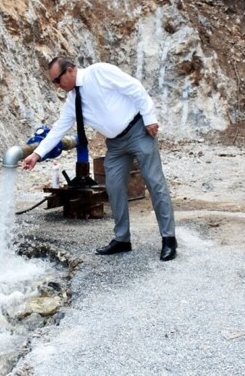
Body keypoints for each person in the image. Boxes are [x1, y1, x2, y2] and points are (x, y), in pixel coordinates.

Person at [22, 57, 178, 261]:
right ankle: (122, 239)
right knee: (113, 186)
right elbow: (59, 129)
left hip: (139, 131)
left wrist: (150, 118)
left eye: (57, 81)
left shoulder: (100, 72)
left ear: (69, 71)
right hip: (115, 144)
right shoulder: (72, 101)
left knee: (155, 183)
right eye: (54, 83)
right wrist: (37, 154)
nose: (57, 86)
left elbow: (135, 88)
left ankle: (168, 239)